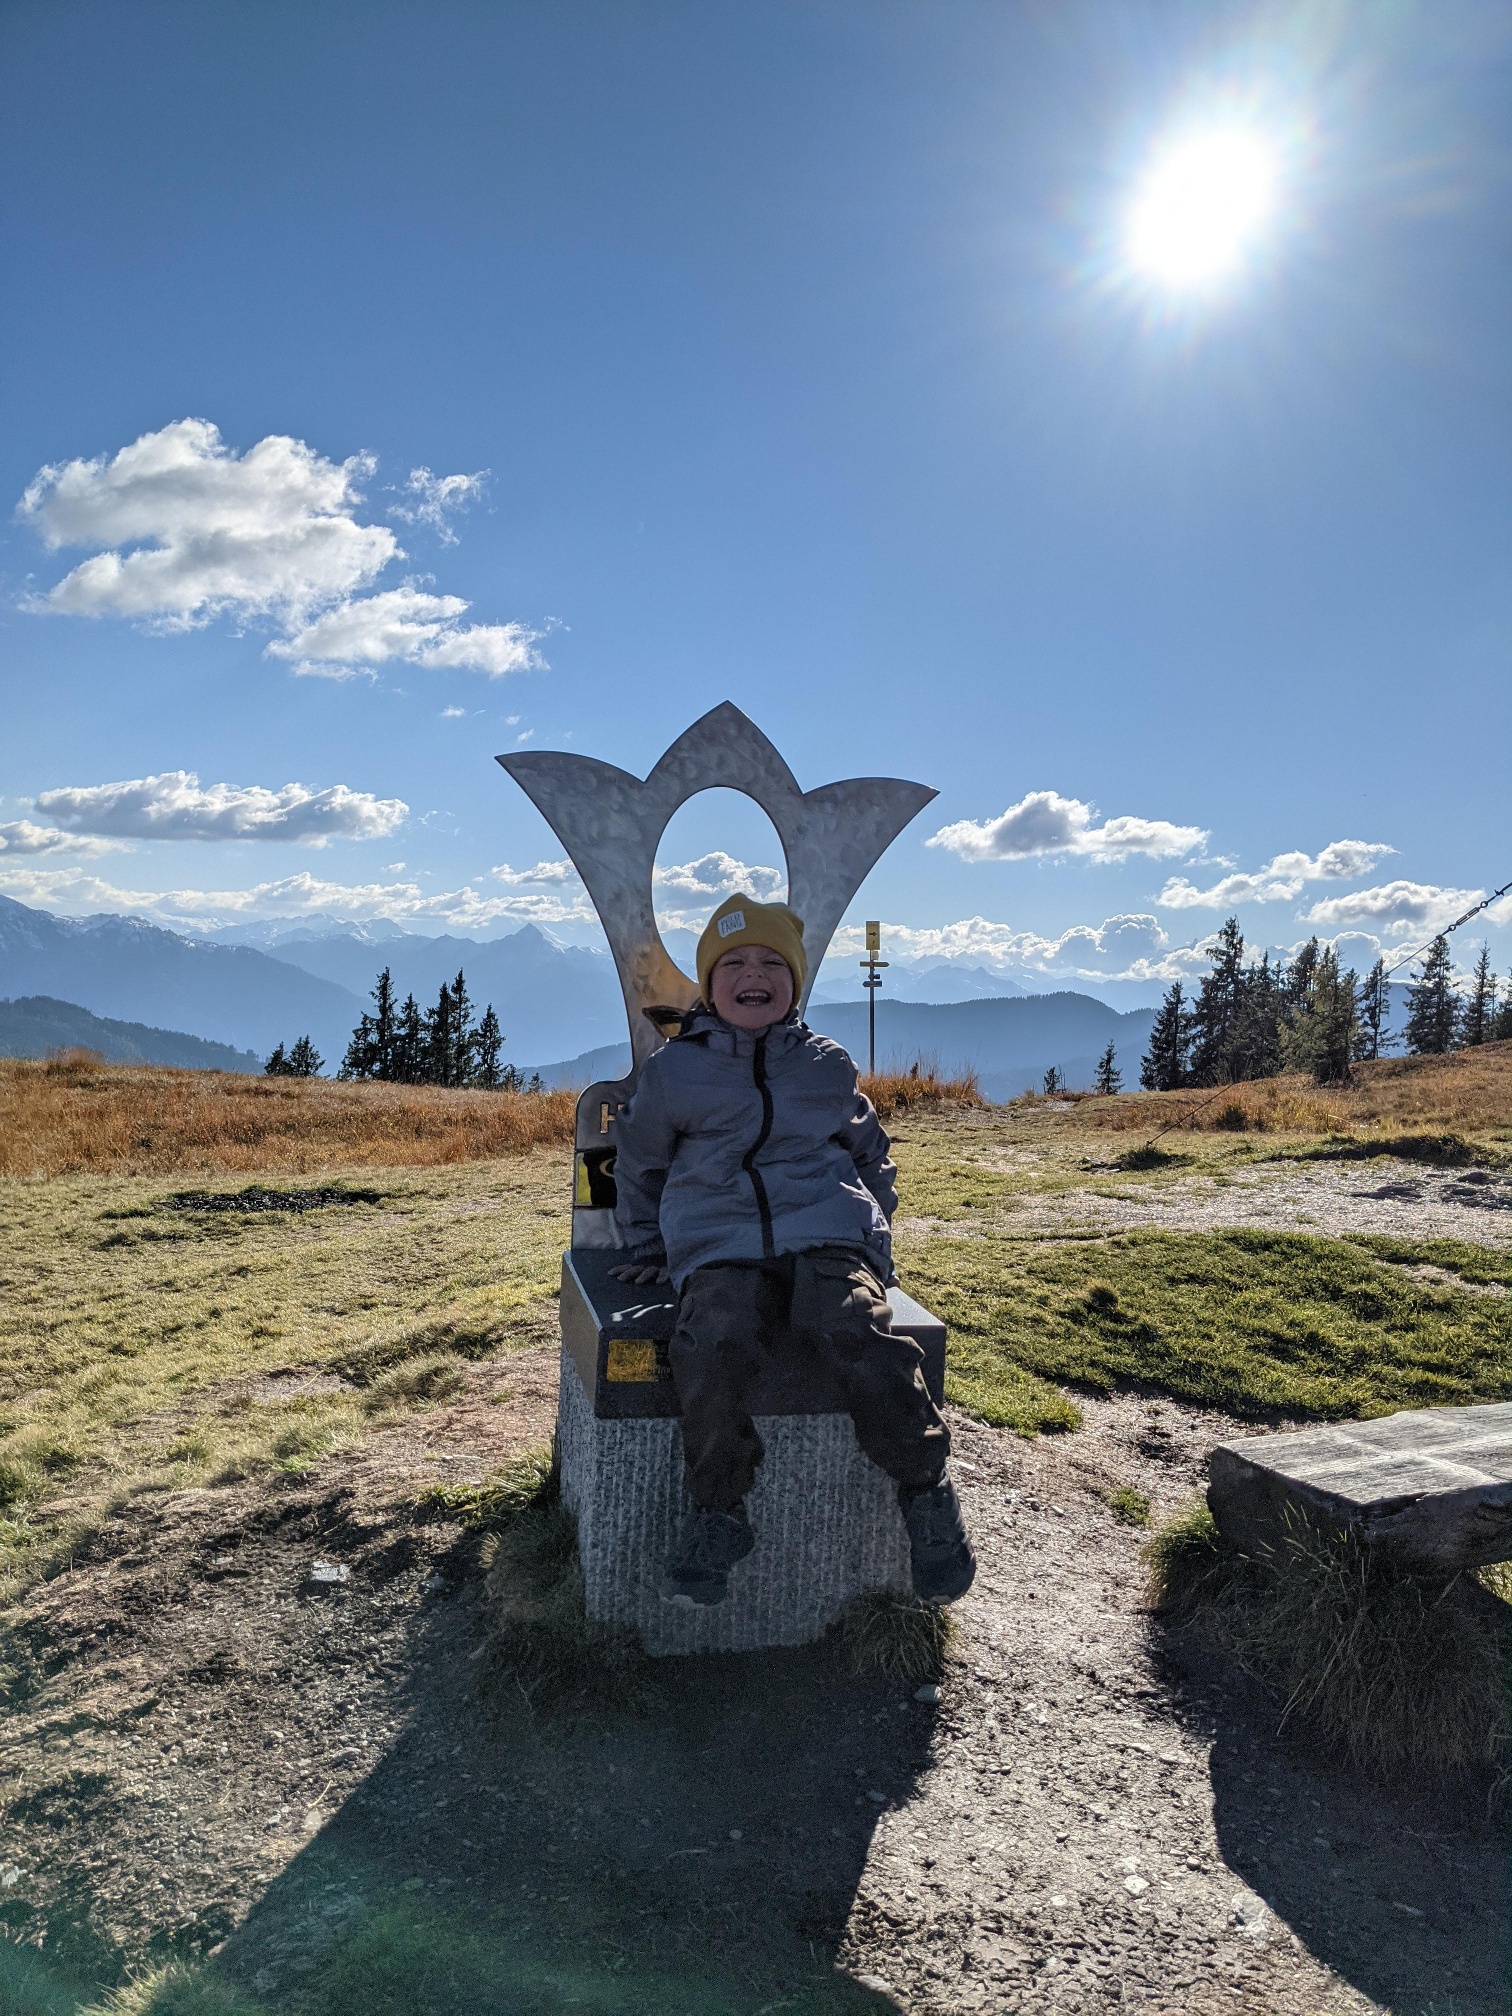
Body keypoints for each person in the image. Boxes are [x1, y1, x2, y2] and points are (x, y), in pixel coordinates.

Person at [610, 892, 976, 1610]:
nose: (755, 974)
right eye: (735, 962)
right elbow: (641, 1162)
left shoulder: (824, 1064)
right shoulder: (676, 1070)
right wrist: (652, 1243)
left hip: (829, 1230)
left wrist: (875, 1232)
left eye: (773, 962)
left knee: (855, 1327)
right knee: (713, 1336)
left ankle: (926, 1490)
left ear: (796, 981)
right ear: (709, 984)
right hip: (718, 1240)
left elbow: (870, 1153)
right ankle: (719, 1511)